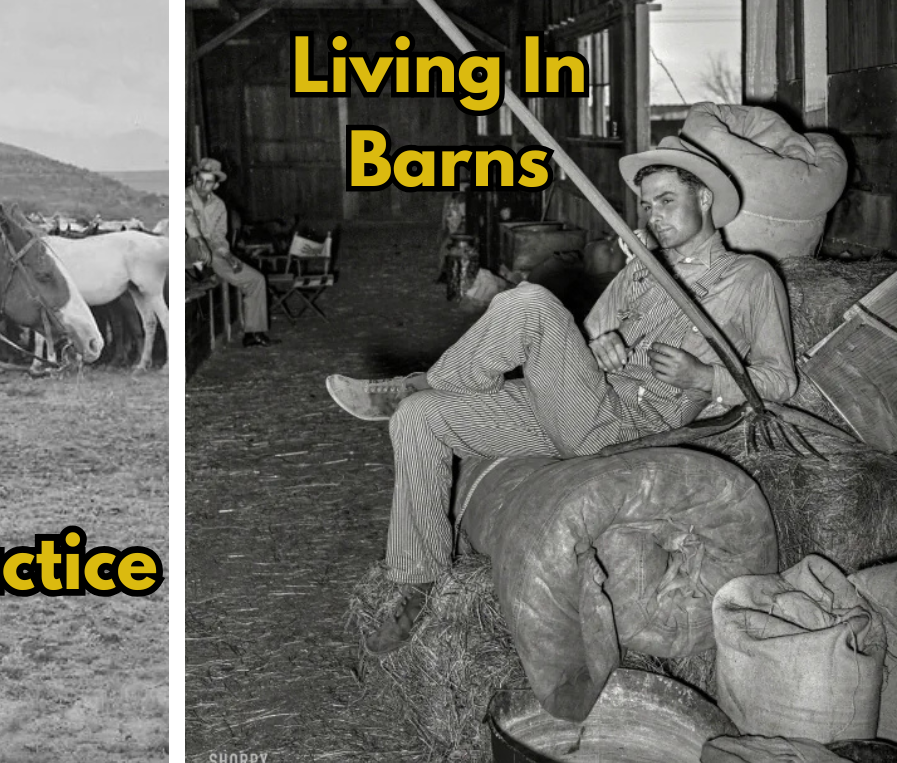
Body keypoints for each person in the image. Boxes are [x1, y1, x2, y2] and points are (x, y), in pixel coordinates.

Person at [327, 136, 797, 654]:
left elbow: (780, 381)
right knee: (420, 420)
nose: (655, 216)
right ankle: (418, 580)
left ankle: (420, 381)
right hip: (582, 403)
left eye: (667, 200)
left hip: (632, 428)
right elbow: (590, 338)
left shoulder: (750, 279)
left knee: (530, 302)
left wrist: (706, 379)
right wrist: (604, 346)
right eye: (647, 204)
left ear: (704, 198)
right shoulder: (641, 268)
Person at [186, 157, 276, 348]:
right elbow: (189, 221)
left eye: (208, 181)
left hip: (212, 252)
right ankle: (195, 274)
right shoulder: (185, 197)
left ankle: (253, 332)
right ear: (194, 178)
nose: (202, 185)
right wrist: (201, 242)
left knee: (256, 279)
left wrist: (228, 256)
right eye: (199, 179)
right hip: (187, 246)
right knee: (194, 247)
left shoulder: (218, 205)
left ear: (216, 185)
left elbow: (219, 236)